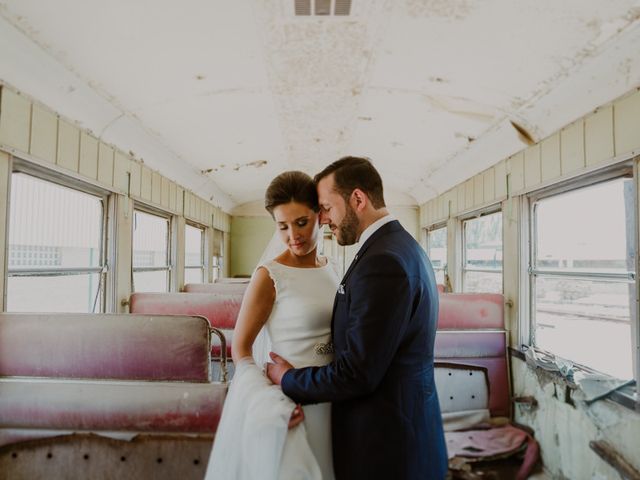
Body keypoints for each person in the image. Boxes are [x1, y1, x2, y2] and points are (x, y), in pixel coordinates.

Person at [267, 156, 448, 479]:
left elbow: (357, 373)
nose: (322, 219)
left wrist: (288, 379)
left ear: (358, 199)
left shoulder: (383, 262)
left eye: (326, 208)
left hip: (387, 448)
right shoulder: (402, 247)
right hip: (405, 433)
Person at [205, 171, 338, 480]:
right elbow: (241, 349)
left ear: (319, 215)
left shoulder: (331, 268)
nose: (293, 235)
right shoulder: (269, 275)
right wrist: (269, 402)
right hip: (291, 403)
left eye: (301, 222)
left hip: (332, 396)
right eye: (283, 226)